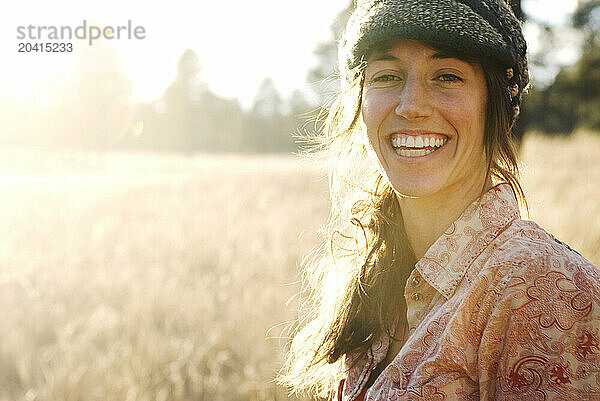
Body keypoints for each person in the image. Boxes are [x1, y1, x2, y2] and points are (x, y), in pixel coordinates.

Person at [279, 0, 600, 400]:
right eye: (387, 76)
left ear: (496, 105)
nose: (411, 105)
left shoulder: (547, 291)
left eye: (446, 76)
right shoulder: (375, 279)